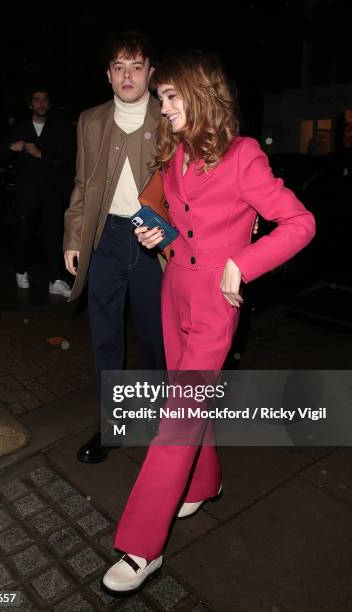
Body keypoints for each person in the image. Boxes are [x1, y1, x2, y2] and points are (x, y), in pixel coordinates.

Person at [101, 50, 316, 596]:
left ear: (200, 96)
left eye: (172, 96)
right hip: (175, 294)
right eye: (163, 96)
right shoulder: (175, 154)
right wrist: (160, 237)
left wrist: (242, 264)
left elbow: (300, 222)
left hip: (217, 306)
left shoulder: (243, 156)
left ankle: (142, 544)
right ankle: (206, 479)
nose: (163, 105)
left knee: (177, 418)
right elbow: (180, 225)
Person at [64, 31, 165, 463]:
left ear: (150, 73)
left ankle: (163, 424)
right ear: (108, 75)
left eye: (136, 66)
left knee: (156, 339)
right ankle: (113, 426)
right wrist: (73, 238)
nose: (128, 75)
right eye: (119, 67)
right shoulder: (90, 120)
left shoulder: (171, 117)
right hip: (105, 239)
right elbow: (84, 183)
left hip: (154, 244)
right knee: (106, 338)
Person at [2, 87, 75, 297]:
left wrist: (40, 154)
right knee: (22, 233)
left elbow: (68, 159)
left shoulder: (59, 128)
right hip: (26, 193)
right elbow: (0, 152)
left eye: (44, 100)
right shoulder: (20, 126)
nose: (41, 103)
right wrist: (10, 148)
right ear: (30, 104)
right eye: (36, 100)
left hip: (52, 192)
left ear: (49, 104)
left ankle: (56, 279)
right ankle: (20, 269)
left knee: (54, 235)